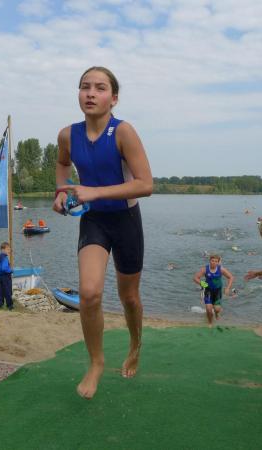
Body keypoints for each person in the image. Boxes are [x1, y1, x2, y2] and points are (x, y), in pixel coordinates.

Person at [52, 66, 153, 399]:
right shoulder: (68, 135)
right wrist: (61, 191)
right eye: (85, 87)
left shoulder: (123, 132)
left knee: (129, 297)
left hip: (126, 221)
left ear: (114, 98)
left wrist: (94, 192)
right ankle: (96, 362)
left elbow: (145, 184)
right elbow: (62, 164)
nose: (91, 93)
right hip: (94, 220)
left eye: (99, 88)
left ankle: (135, 345)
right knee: (89, 293)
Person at [192, 255, 234, 326]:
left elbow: (231, 277)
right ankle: (210, 322)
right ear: (210, 261)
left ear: (218, 262)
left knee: (217, 309)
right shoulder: (205, 269)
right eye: (212, 261)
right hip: (208, 291)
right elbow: (195, 278)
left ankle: (217, 314)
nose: (214, 262)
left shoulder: (221, 269)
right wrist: (202, 283)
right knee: (209, 309)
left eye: (216, 261)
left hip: (217, 291)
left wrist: (227, 288)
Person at [0, 242, 13, 310]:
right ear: (3, 249)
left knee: (0, 291)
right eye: (8, 249)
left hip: (0, 276)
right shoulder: (5, 258)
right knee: (8, 291)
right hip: (6, 277)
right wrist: (10, 270)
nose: (9, 251)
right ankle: (9, 305)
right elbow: (4, 268)